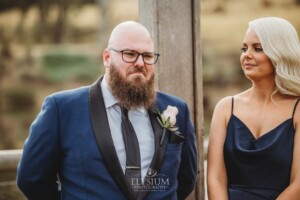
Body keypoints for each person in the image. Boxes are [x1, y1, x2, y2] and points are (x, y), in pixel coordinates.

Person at [17, 21, 198, 200]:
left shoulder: (177, 110)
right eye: (130, 54)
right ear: (107, 58)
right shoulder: (61, 109)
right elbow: (31, 179)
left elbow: (186, 179)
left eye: (148, 56)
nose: (140, 63)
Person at [207, 17, 300, 200]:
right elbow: (215, 179)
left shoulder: (298, 109)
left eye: (258, 48)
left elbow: (299, 183)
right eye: (244, 48)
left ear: (280, 53)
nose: (246, 55)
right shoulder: (226, 108)